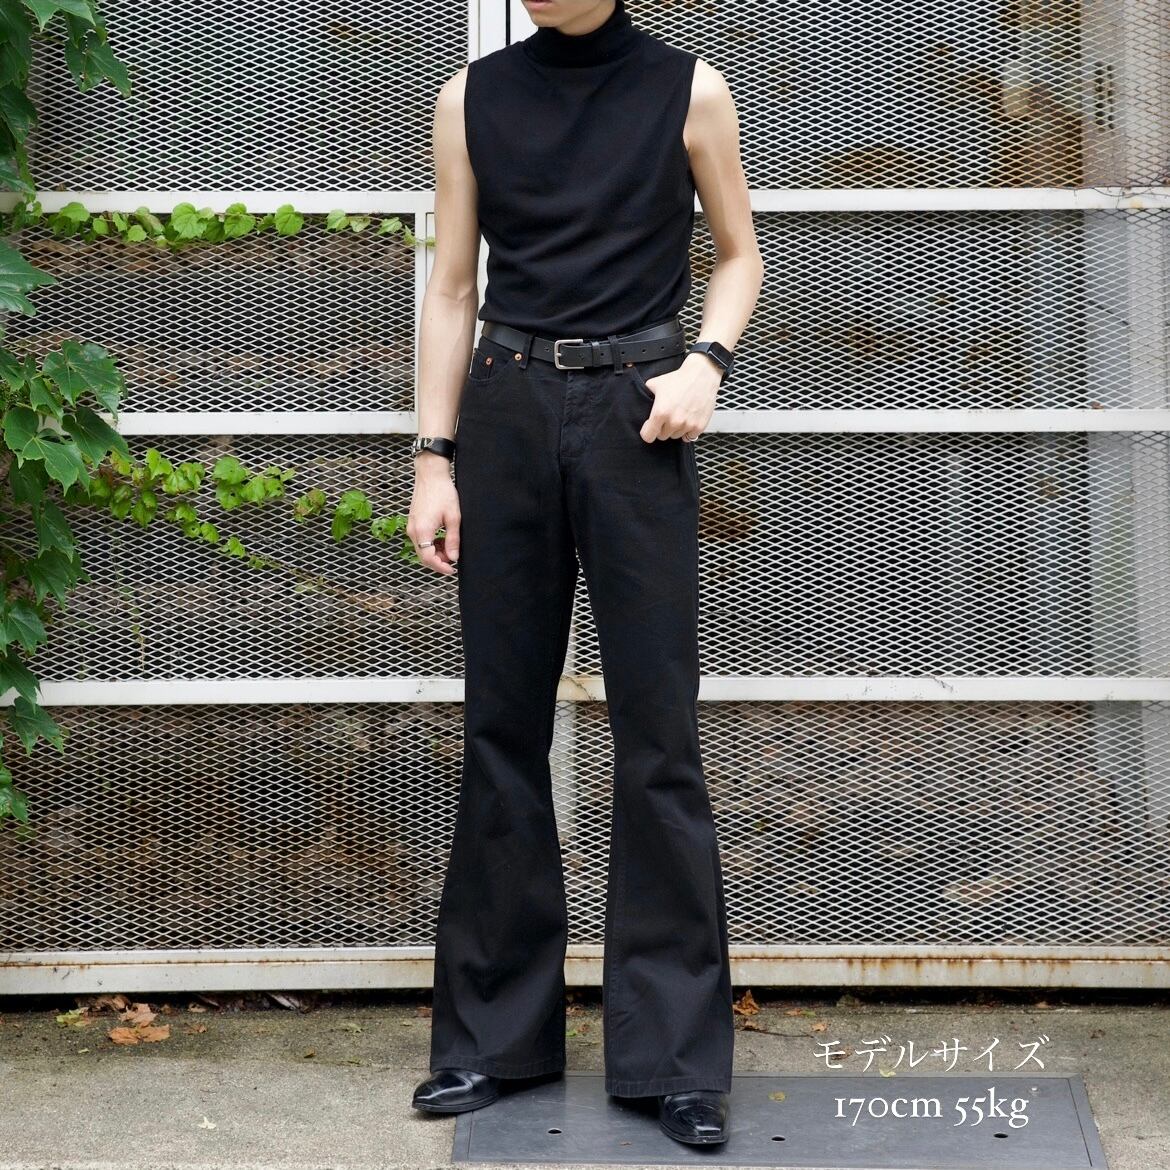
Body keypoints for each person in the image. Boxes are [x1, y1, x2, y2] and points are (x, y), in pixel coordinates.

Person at [406, 0, 762, 1147]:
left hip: (637, 415)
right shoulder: (472, 98)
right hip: (506, 411)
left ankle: (674, 1059)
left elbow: (741, 257)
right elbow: (452, 286)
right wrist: (433, 458)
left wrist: (706, 363)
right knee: (501, 726)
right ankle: (490, 1041)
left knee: (659, 733)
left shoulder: (688, 89)